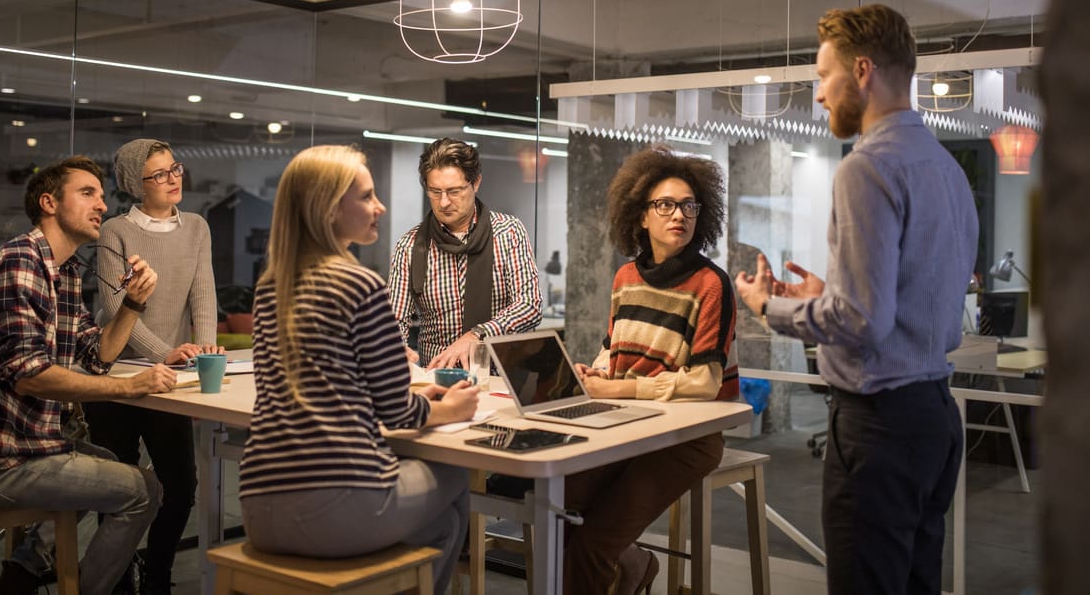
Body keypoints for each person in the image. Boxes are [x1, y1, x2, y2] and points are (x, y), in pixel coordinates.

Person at [734, 4, 979, 595]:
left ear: (861, 70)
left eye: (823, 76)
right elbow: (907, 296)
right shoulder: (948, 170)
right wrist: (829, 293)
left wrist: (770, 307)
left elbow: (862, 320)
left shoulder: (866, 168)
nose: (819, 94)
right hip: (934, 420)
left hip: (879, 431)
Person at [0, 156, 177, 595]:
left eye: (101, 194)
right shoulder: (19, 262)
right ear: (49, 203)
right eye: (87, 193)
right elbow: (30, 376)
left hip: (22, 448)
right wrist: (131, 386)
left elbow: (96, 356)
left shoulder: (63, 274)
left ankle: (20, 576)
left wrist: (133, 303)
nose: (102, 204)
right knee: (144, 490)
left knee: (111, 466)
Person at [238, 145, 478, 593]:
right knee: (456, 481)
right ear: (329, 209)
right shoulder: (360, 284)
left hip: (258, 508)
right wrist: (454, 408)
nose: (380, 207)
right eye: (367, 196)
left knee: (440, 521)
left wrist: (405, 399)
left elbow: (330, 385)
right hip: (337, 507)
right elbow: (398, 414)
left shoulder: (271, 287)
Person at [564, 144, 739, 595]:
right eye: (665, 204)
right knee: (556, 508)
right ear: (641, 216)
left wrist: (622, 391)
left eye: (688, 205)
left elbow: (705, 383)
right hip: (627, 429)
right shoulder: (626, 278)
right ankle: (636, 564)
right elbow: (613, 348)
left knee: (589, 545)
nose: (678, 214)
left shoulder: (710, 284)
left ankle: (629, 567)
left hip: (687, 439)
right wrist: (597, 372)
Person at [83, 139, 221, 595]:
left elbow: (203, 294)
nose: (173, 178)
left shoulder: (197, 226)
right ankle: (118, 582)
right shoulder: (115, 231)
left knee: (180, 487)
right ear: (133, 184)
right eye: (159, 174)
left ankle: (157, 576)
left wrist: (205, 352)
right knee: (117, 489)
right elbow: (116, 305)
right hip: (117, 375)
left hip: (169, 380)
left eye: (175, 168)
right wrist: (164, 351)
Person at [387, 137, 541, 369]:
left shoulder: (508, 232)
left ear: (476, 182)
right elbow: (394, 319)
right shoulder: (410, 246)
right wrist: (395, 345)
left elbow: (530, 305)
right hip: (438, 379)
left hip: (501, 376)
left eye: (454, 191)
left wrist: (477, 335)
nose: (444, 202)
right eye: (435, 192)